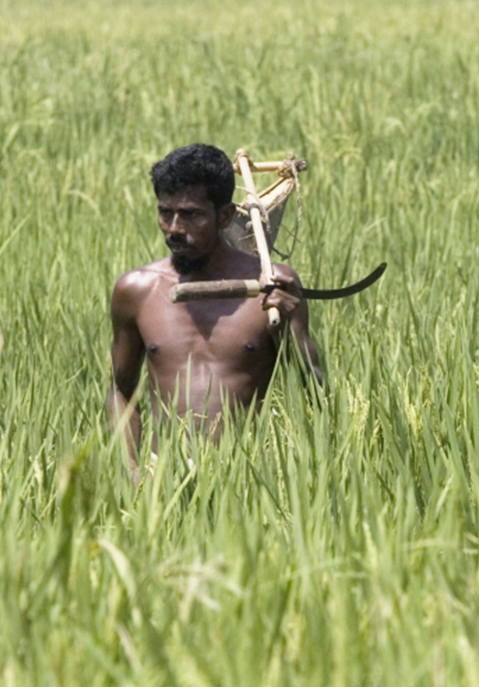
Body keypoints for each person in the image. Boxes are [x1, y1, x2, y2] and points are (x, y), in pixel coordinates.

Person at [107, 144, 323, 469]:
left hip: (247, 476)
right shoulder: (137, 290)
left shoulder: (272, 285)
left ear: (224, 215)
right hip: (163, 473)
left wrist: (292, 328)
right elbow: (121, 389)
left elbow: (315, 389)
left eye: (192, 215)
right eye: (166, 213)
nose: (175, 228)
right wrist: (132, 469)